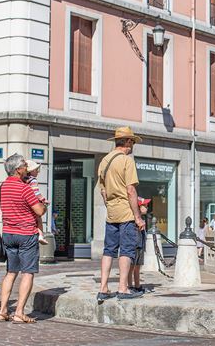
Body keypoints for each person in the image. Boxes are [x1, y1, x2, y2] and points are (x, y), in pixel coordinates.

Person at [96, 127, 146, 303]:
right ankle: (123, 288)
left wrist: (110, 205)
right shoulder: (126, 161)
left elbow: (102, 190)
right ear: (127, 142)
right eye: (132, 141)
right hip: (126, 212)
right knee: (126, 249)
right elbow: (131, 190)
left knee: (108, 250)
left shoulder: (104, 160)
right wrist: (138, 216)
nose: (132, 144)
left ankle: (103, 287)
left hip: (112, 213)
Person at [0, 154, 46, 324]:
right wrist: (44, 204)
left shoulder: (2, 188)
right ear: (18, 169)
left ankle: (2, 311)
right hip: (26, 234)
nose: (27, 168)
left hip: (9, 234)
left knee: (11, 272)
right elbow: (39, 211)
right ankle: (19, 312)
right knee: (27, 273)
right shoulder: (25, 189)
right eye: (24, 165)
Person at [128, 197, 151, 294]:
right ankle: (130, 285)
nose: (147, 207)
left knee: (138, 267)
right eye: (145, 205)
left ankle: (137, 285)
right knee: (131, 267)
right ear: (138, 207)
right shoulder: (133, 219)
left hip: (140, 245)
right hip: (134, 245)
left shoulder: (143, 218)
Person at [23, 160, 49, 245]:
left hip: (26, 204)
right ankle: (41, 235)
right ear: (31, 171)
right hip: (34, 203)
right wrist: (44, 200)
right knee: (39, 219)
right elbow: (36, 192)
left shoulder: (24, 180)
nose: (38, 172)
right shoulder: (33, 180)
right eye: (36, 170)